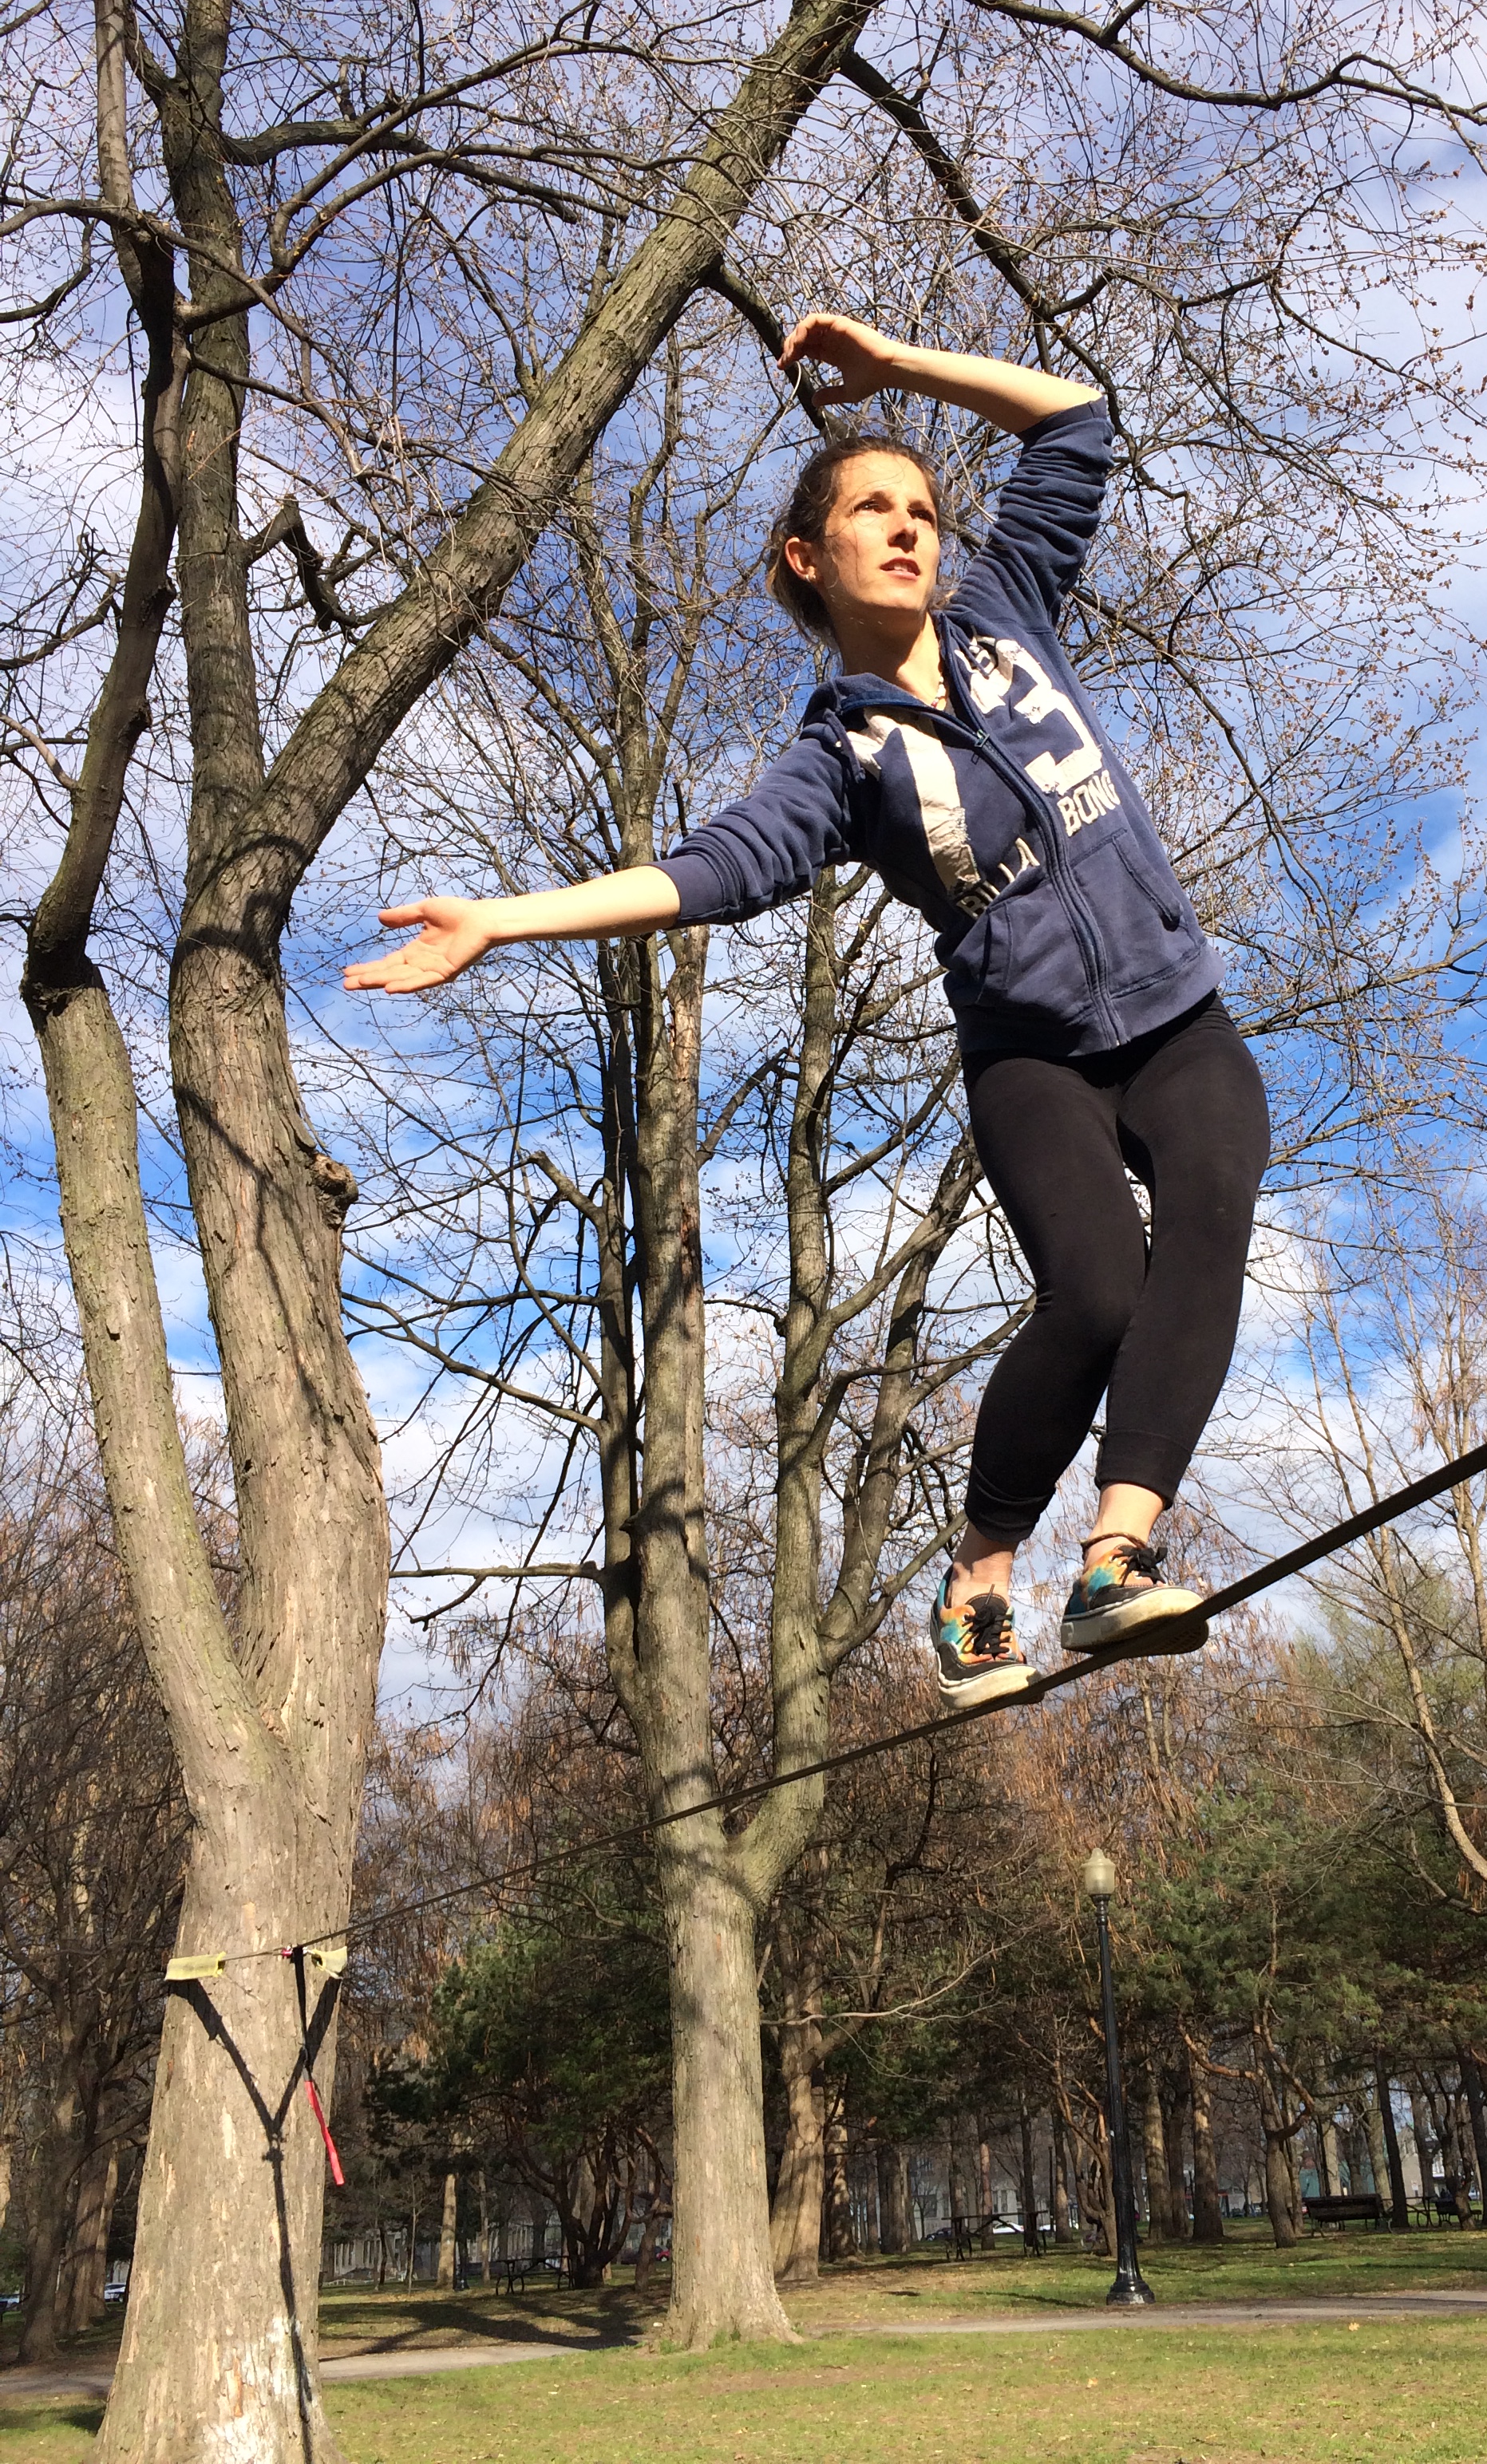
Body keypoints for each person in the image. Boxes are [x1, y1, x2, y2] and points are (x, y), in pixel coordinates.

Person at [346, 316, 1270, 1711]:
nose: (908, 529)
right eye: (871, 511)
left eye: (923, 511)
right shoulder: (838, 761)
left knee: (1212, 1202)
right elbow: (706, 874)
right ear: (807, 558)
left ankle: (1113, 1560)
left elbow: (1075, 416)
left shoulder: (1010, 614)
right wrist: (501, 918)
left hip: (1176, 1018)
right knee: (1094, 1293)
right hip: (1033, 1059)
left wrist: (896, 371)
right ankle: (979, 1577)